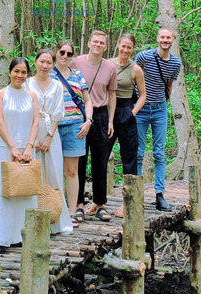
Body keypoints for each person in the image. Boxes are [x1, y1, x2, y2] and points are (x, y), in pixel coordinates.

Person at [0, 57, 40, 255]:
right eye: (16, 71)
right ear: (9, 72)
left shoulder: (31, 95)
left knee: (26, 192)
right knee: (3, 194)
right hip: (6, 148)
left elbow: (36, 122)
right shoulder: (0, 95)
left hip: (27, 149)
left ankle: (19, 236)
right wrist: (12, 147)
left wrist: (28, 146)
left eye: (24, 72)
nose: (20, 75)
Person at [70, 30, 117, 222]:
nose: (98, 45)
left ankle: (100, 203)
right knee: (79, 159)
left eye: (102, 43)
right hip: (78, 114)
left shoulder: (110, 67)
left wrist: (111, 120)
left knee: (100, 161)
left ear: (106, 46)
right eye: (95, 42)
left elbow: (112, 94)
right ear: (88, 43)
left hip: (100, 114)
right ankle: (79, 204)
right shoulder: (76, 63)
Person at [25, 49, 74, 235]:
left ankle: (57, 220)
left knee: (53, 175)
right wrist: (33, 138)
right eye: (42, 62)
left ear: (53, 65)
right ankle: (33, 221)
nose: (45, 66)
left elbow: (57, 114)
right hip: (31, 133)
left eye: (48, 63)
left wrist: (48, 137)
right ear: (35, 62)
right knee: (32, 176)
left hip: (51, 135)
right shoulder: (27, 84)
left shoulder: (56, 86)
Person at [134, 27, 182, 212]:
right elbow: (133, 78)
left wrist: (164, 103)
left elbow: (169, 85)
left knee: (159, 153)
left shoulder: (175, 63)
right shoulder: (144, 57)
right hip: (141, 110)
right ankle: (137, 194)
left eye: (168, 37)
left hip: (160, 110)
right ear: (157, 39)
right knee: (138, 152)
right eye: (162, 37)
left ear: (172, 40)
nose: (165, 40)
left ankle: (159, 195)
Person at [50, 40, 93, 225]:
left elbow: (87, 100)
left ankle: (72, 210)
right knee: (52, 171)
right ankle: (54, 212)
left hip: (75, 127)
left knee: (72, 171)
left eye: (69, 53)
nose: (65, 56)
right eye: (62, 52)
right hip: (52, 127)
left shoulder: (77, 75)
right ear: (56, 52)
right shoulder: (48, 74)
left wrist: (88, 121)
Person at [108, 33, 147, 218]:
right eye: (123, 46)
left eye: (129, 47)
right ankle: (98, 202)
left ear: (133, 49)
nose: (125, 50)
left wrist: (131, 113)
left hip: (125, 109)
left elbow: (143, 95)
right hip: (106, 110)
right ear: (118, 45)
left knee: (129, 157)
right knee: (101, 156)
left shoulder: (136, 69)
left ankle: (128, 202)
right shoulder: (107, 64)